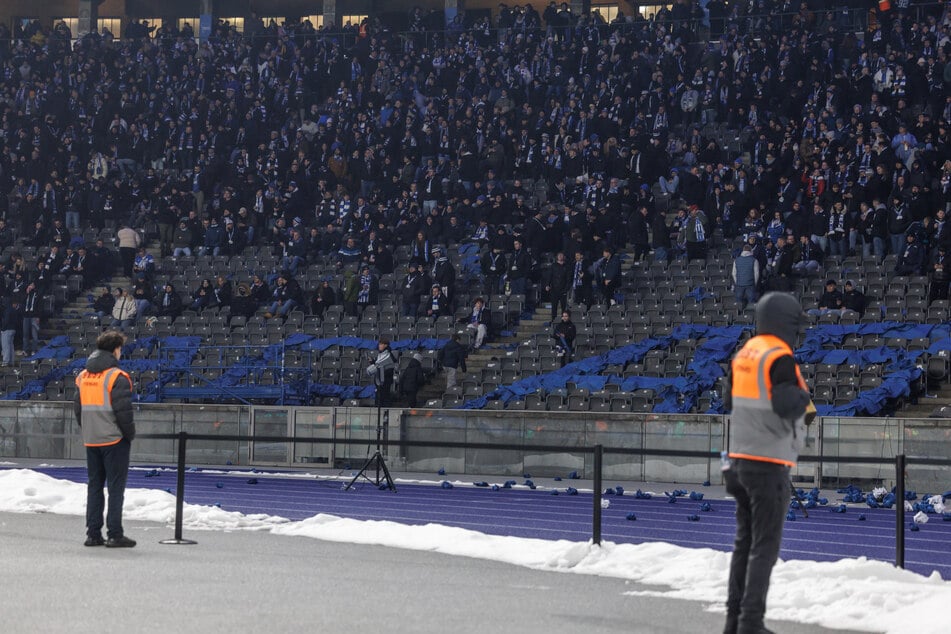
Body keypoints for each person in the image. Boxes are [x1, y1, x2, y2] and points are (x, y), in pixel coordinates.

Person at [723, 292, 814, 634]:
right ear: (784, 323)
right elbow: (788, 405)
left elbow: (728, 398)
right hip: (768, 464)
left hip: (739, 461)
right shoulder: (780, 356)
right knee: (764, 548)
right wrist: (805, 395)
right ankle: (750, 624)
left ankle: (733, 622)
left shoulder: (745, 353)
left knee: (743, 543)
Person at [74, 330, 136, 548]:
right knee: (116, 488)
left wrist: (89, 429)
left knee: (94, 486)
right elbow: (124, 413)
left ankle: (93, 534)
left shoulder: (83, 376)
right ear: (115, 350)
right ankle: (114, 533)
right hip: (113, 440)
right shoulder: (117, 376)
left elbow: (78, 409)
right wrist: (129, 435)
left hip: (91, 439)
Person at [368, 338, 397, 407]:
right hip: (380, 379)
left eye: (381, 344)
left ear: (385, 345)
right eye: (379, 344)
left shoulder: (388, 355)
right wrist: (372, 362)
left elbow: (388, 368)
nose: (379, 346)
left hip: (385, 379)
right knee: (380, 395)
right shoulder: (381, 354)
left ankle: (384, 410)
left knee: (384, 396)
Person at [731, 244, 760, 311]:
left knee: (738, 302)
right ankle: (751, 316)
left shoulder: (736, 260)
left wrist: (737, 282)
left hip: (739, 284)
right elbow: (756, 273)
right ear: (750, 250)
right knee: (751, 302)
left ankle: (738, 317)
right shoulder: (754, 260)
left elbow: (733, 273)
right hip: (750, 284)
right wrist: (754, 283)